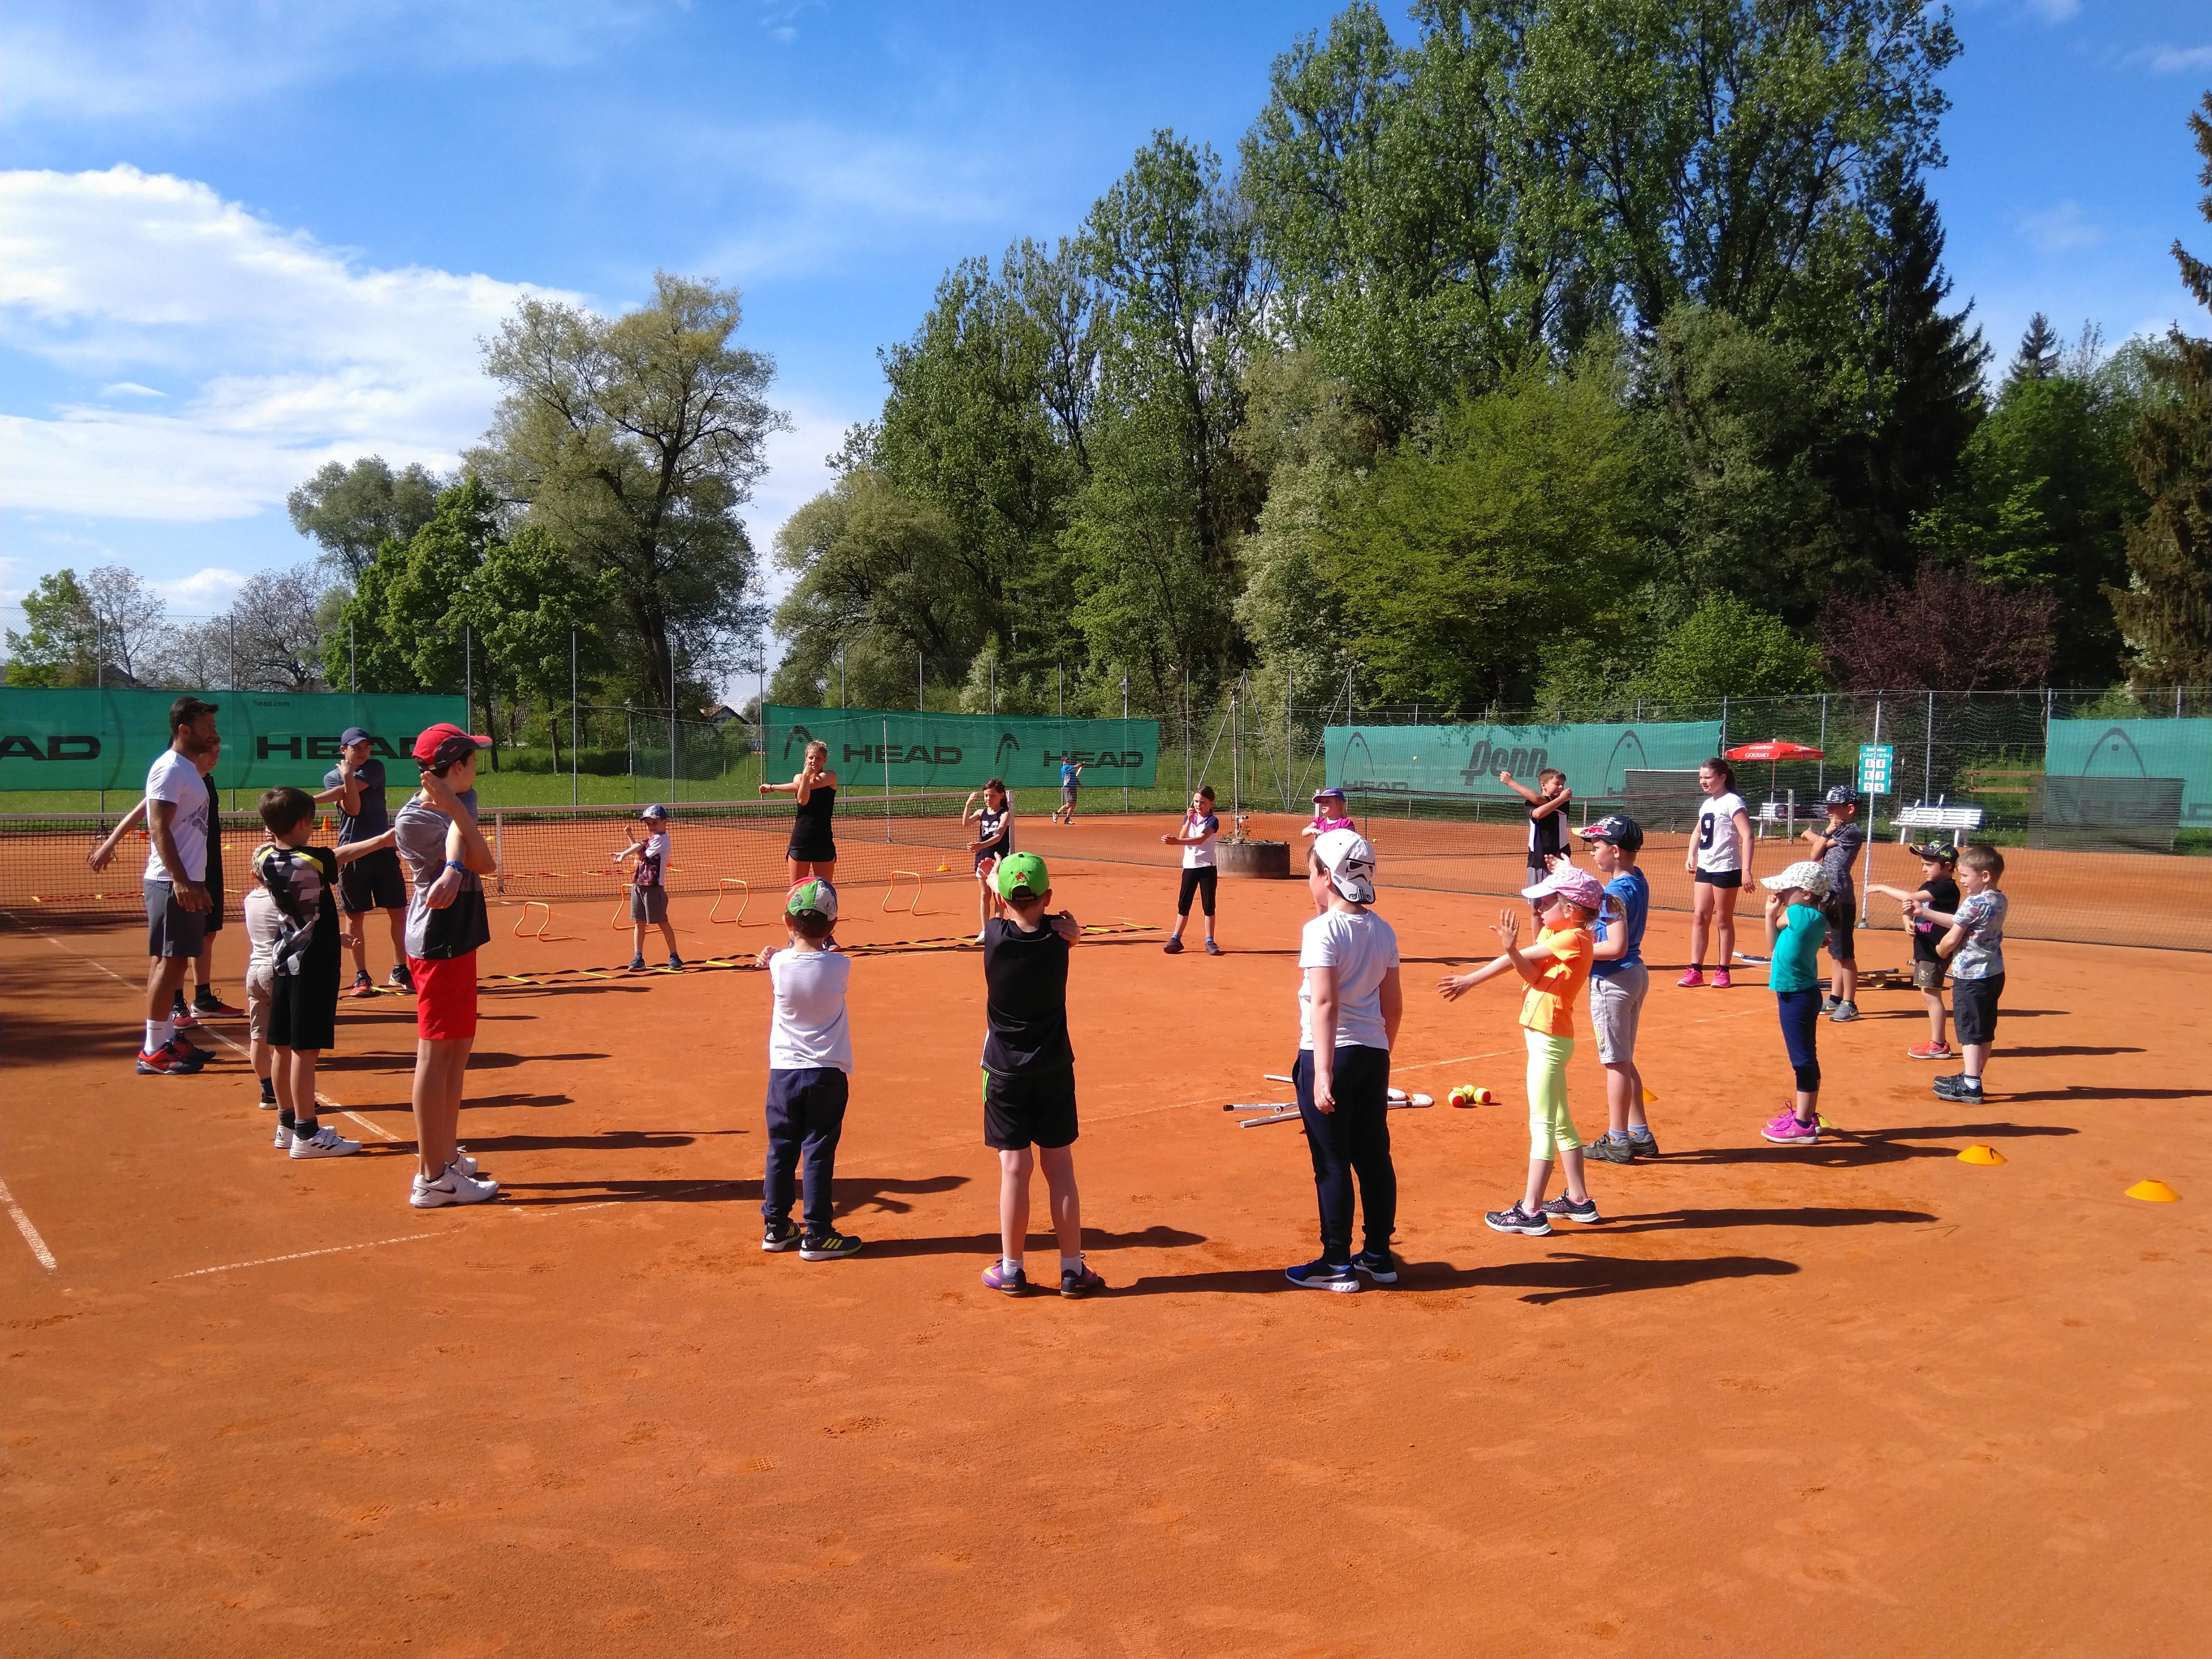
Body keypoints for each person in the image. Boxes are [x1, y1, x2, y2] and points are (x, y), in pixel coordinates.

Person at [1439, 867, 1606, 1237]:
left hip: (1549, 1040)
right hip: (1548, 1038)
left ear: (1571, 909)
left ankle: (1531, 1211)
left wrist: (1470, 979)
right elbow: (1532, 976)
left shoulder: (1574, 938)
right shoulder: (1560, 935)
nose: (1538, 907)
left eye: (1546, 902)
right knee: (1559, 1121)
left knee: (1542, 1124)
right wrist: (1513, 948)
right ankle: (1578, 1200)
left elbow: (1512, 964)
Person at [977, 852, 1104, 1298]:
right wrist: (1074, 931)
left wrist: (993, 875)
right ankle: (1072, 1269)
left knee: (1015, 1169)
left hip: (1004, 1072)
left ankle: (1012, 1269)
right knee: (1060, 1167)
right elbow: (1063, 930)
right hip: (1053, 1069)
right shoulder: (1059, 939)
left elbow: (1001, 901)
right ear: (1048, 897)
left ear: (1002, 898)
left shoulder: (994, 936)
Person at [1284, 828, 1404, 1292]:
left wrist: (1323, 1072)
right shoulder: (1383, 930)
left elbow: (1325, 1002)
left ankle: (1336, 1262)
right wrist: (1381, 1054)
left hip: (1329, 1054)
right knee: (1373, 1157)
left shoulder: (1320, 930)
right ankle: (1378, 1255)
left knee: (1331, 1162)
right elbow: (1393, 1006)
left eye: (1311, 871)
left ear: (1328, 877)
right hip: (1373, 1055)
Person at [253, 786, 397, 1160]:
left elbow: (299, 853)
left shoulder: (263, 857)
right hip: (313, 963)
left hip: (284, 957)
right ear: (302, 822)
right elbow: (340, 855)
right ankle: (307, 1132)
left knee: (282, 1045)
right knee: (306, 1050)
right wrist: (382, 841)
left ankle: (288, 1125)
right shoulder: (311, 861)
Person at [394, 724, 501, 1208]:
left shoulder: (464, 797)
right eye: (472, 760)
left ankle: (447, 1154)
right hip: (435, 941)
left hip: (462, 934)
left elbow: (467, 849)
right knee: (434, 1057)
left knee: (457, 1052)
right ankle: (431, 1176)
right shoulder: (413, 821)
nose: (477, 769)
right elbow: (486, 862)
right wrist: (459, 854)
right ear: (456, 766)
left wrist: (455, 865)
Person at [754, 878, 863, 1260]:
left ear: (787, 922)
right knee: (818, 1150)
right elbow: (819, 952)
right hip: (826, 1074)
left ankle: (776, 1226)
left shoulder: (778, 964)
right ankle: (817, 1233)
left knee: (781, 1148)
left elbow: (789, 954)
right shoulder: (840, 965)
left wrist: (778, 950)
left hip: (784, 1074)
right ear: (833, 926)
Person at [129, 697, 221, 1075]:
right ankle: (154, 1050)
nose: (214, 733)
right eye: (207, 728)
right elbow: (158, 828)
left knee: (176, 962)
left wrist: (197, 881)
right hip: (170, 882)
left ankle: (167, 1038)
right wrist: (182, 881)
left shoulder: (187, 769)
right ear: (184, 730)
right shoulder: (169, 769)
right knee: (170, 964)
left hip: (185, 880)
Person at [1564, 814, 1656, 1163]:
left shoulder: (1611, 895)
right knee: (1624, 1059)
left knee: (1615, 1063)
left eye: (1596, 846)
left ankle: (1618, 1140)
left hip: (1613, 980)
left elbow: (1615, 946)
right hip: (1634, 975)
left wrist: (1575, 949)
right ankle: (1640, 1134)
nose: (1592, 852)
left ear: (1615, 850)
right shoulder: (1636, 879)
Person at [1914, 844, 2007, 1106]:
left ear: (1985, 876)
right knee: (1984, 1029)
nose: (1962, 881)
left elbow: (1952, 937)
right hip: (1993, 973)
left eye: (1966, 876)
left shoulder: (1973, 902)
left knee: (1969, 1032)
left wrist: (1940, 949)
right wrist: (1924, 912)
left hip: (1970, 976)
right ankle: (1972, 1075)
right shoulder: (1999, 899)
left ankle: (1971, 1085)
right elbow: (1961, 921)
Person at [326, 726, 413, 999]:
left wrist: (311, 799)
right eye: (356, 747)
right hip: (352, 854)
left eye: (366, 746)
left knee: (398, 912)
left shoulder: (375, 768)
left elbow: (354, 797)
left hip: (384, 851)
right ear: (344, 750)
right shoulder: (331, 778)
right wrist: (346, 776)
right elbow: (353, 808)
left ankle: (400, 970)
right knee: (355, 917)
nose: (363, 751)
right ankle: (361, 975)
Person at [1758, 860, 1831, 1145]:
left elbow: (1779, 929)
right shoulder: (1813, 918)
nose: (1781, 892)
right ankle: (1807, 1116)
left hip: (1796, 997)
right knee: (1807, 1058)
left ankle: (1802, 1126)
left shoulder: (1798, 913)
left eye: (1787, 889)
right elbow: (1774, 947)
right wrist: (1770, 913)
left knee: (1802, 1062)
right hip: (1804, 994)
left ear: (1806, 893)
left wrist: (1775, 913)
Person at [1869, 842, 1961, 1061]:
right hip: (1924, 947)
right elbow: (1910, 908)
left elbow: (1909, 898)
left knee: (1931, 994)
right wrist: (1906, 920)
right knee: (1928, 993)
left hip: (1935, 949)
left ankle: (1939, 1044)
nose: (1924, 869)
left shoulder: (1946, 888)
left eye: (1929, 864)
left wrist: (1882, 888)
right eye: (1923, 864)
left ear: (1948, 866)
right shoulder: (1929, 885)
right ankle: (1938, 1043)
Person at [1681, 757, 1752, 989]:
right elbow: (1697, 832)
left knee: (1723, 920)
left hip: (1727, 868)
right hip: (1706, 867)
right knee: (1700, 917)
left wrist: (1746, 870)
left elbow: (1748, 836)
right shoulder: (1707, 804)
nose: (1703, 781)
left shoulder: (1733, 802)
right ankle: (1696, 970)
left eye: (1708, 777)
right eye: (1701, 778)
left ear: (1722, 777)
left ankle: (1723, 971)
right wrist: (1692, 855)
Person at [1800, 784, 1866, 1022]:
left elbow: (1818, 847)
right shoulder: (1836, 830)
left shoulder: (1852, 831)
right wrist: (1821, 835)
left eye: (1833, 806)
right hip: (1829, 896)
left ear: (1850, 809)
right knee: (1836, 952)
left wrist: (1815, 834)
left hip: (1841, 898)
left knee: (1844, 953)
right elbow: (1815, 855)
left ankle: (1850, 1003)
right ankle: (1836, 998)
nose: (1828, 810)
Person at [763, 739, 838, 894]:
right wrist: (805, 776)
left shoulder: (830, 776)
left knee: (824, 891)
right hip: (801, 840)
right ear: (806, 758)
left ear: (825, 760)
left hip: (823, 841)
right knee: (796, 891)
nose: (814, 761)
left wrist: (772, 787)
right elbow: (803, 800)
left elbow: (803, 787)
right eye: (811, 758)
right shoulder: (799, 777)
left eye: (818, 758)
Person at [615, 804, 682, 972]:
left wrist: (625, 853)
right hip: (639, 884)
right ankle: (638, 958)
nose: (652, 827)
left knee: (662, 922)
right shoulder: (651, 838)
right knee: (640, 922)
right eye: (648, 824)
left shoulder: (662, 839)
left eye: (655, 823)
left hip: (654, 887)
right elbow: (639, 848)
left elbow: (643, 854)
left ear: (665, 822)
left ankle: (674, 957)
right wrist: (628, 841)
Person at [1160, 785, 1222, 955]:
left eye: (1203, 802)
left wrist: (1176, 842)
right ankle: (1176, 938)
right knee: (1184, 904)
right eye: (1196, 801)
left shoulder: (1212, 821)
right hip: (1190, 867)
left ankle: (1210, 941)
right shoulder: (1190, 818)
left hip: (1207, 867)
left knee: (1208, 906)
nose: (1198, 805)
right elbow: (1183, 836)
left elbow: (1201, 839)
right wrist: (1188, 821)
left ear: (1211, 804)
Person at [1499, 766, 1572, 899]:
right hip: (1537, 857)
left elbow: (1540, 802)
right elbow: (1538, 811)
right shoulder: (1536, 803)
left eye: (1563, 784)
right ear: (1544, 785)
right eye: (1557, 784)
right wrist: (1511, 782)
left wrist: (1562, 799)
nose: (1562, 787)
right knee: (1536, 903)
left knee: (1559, 901)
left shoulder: (1562, 802)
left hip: (1559, 856)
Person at [964, 779, 1015, 943]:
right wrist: (968, 804)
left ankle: (997, 928)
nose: (988, 799)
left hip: (998, 859)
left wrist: (980, 845)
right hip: (982, 858)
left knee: (998, 895)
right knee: (985, 894)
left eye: (992, 796)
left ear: (1001, 796)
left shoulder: (1005, 814)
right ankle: (985, 930)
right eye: (986, 796)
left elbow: (998, 836)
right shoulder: (981, 812)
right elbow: (966, 823)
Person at [1053, 758, 1086, 825]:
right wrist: (1082, 764)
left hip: (1074, 788)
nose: (1068, 761)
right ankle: (1056, 813)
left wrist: (1079, 784)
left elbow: (1075, 778)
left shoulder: (1071, 770)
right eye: (1066, 761)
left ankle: (1067, 819)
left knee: (1073, 805)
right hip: (1068, 788)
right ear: (1063, 762)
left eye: (1068, 760)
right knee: (1069, 804)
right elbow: (1076, 767)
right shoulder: (1065, 768)